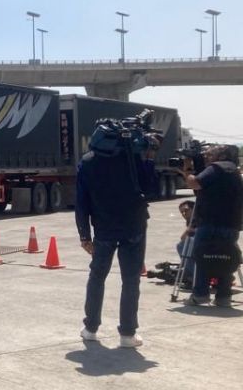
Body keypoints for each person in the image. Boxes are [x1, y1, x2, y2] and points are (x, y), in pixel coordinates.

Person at [76, 127, 158, 348]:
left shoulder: (87, 162)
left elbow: (81, 201)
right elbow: (150, 189)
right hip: (134, 226)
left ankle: (91, 328)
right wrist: (149, 158)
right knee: (130, 280)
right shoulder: (132, 157)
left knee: (97, 277)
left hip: (103, 229)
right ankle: (128, 334)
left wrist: (84, 234)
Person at [180, 145, 242, 307]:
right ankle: (223, 297)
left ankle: (201, 294)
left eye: (210, 154)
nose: (207, 156)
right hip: (231, 223)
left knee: (203, 257)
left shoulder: (217, 168)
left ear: (221, 156)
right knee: (226, 259)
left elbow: (195, 184)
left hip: (211, 222)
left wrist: (187, 171)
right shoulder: (233, 170)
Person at [175, 200, 196, 285]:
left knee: (182, 246)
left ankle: (193, 275)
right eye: (182, 212)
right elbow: (183, 237)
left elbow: (183, 238)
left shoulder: (200, 219)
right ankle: (189, 272)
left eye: (186, 210)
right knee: (183, 245)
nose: (184, 214)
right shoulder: (191, 221)